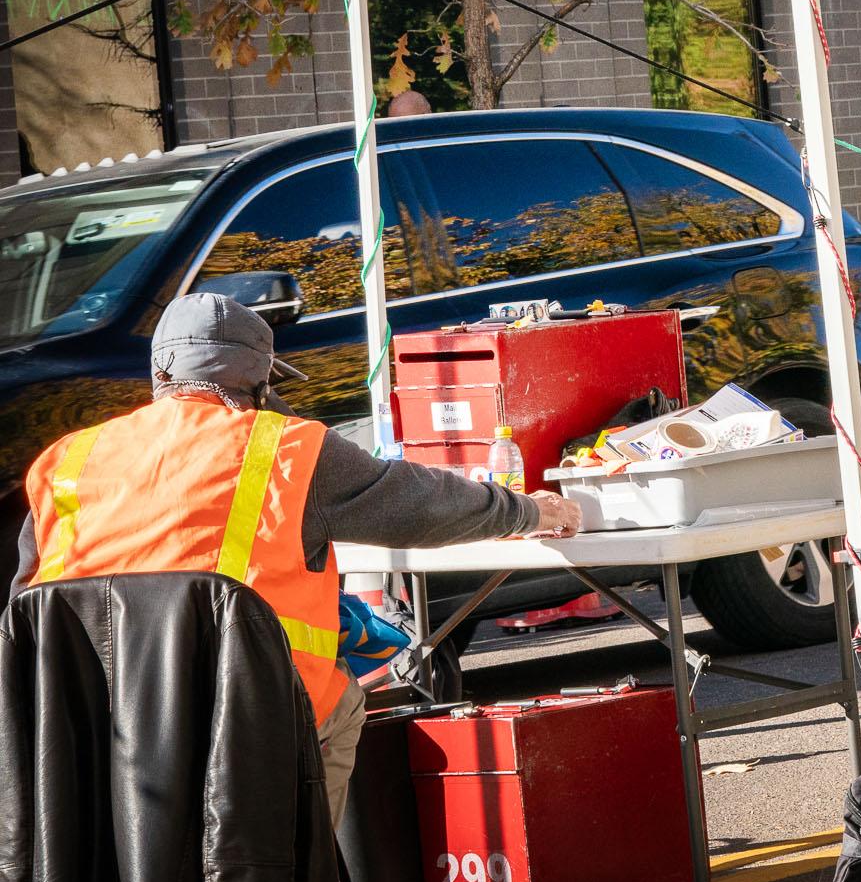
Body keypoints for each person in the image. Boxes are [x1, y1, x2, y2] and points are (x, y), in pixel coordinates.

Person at [10, 292, 583, 827]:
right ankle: (296, 864)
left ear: (159, 374)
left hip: (94, 722)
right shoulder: (287, 446)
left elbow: (27, 605)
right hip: (243, 714)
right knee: (346, 702)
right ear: (260, 380)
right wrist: (528, 511)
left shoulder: (67, 458)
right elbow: (424, 505)